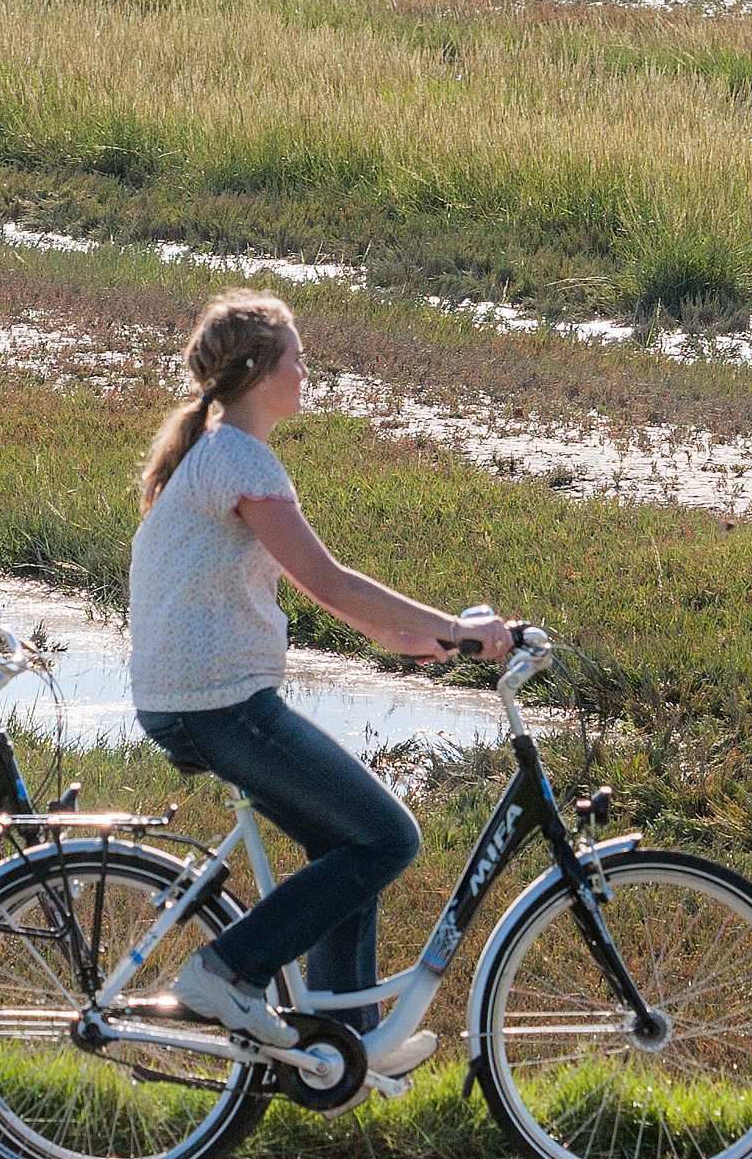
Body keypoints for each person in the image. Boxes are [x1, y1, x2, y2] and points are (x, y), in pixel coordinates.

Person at [126, 291, 503, 1069]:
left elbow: (315, 588)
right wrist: (455, 627)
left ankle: (348, 1047)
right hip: (219, 703)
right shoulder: (240, 458)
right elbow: (326, 579)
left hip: (199, 699)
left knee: (347, 847)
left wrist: (405, 636)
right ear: (261, 372)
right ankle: (226, 970)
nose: (306, 372)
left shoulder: (216, 452)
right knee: (389, 837)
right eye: (297, 358)